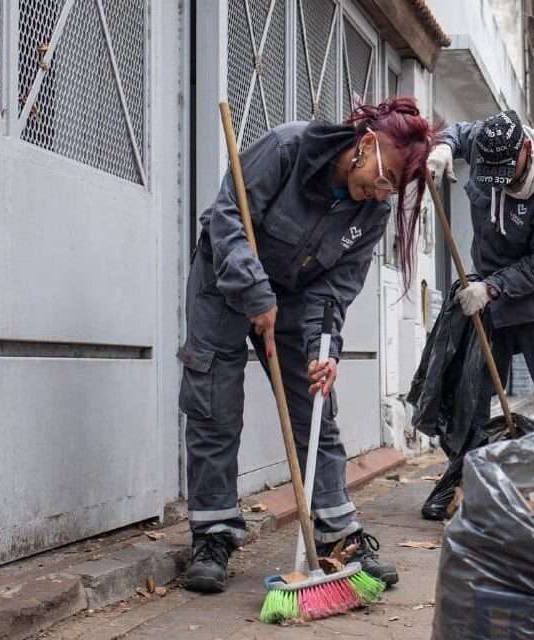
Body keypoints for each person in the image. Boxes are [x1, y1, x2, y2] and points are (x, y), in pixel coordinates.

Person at [178, 98, 435, 593]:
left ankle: (338, 530)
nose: (380, 193)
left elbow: (336, 289)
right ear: (365, 146)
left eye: (392, 190)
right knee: (215, 404)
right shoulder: (287, 148)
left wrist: (325, 349)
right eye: (384, 178)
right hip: (224, 282)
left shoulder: (372, 212)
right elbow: (228, 220)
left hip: (296, 301)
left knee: (316, 407)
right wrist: (255, 292)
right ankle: (212, 534)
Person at [426, 110, 534, 427]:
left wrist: (490, 288)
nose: (498, 183)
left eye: (505, 173)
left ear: (526, 149)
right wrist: (444, 145)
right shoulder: (487, 141)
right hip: (488, 292)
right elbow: (460, 131)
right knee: (468, 394)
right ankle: (469, 471)